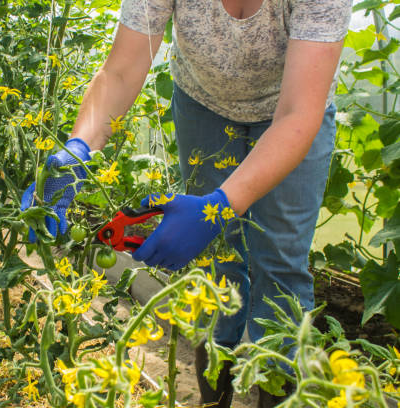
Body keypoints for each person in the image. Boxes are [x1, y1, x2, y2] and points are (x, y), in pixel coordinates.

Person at [21, 0, 352, 406]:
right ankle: (214, 399)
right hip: (204, 104)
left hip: (294, 116)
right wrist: (76, 150)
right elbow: (122, 68)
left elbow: (298, 112)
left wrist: (222, 204)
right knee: (216, 261)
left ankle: (278, 390)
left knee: (281, 262)